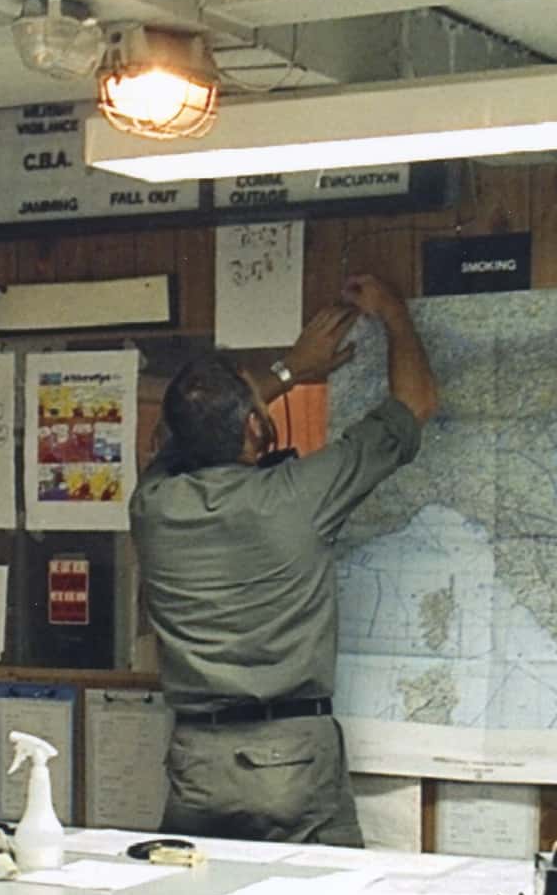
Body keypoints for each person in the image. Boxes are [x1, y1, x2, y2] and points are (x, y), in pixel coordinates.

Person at [130, 274, 439, 846]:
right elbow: (413, 405)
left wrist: (287, 371)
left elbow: (169, 438)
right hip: (294, 759)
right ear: (255, 426)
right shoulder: (301, 494)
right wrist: (394, 314)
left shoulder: (153, 504)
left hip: (198, 759)